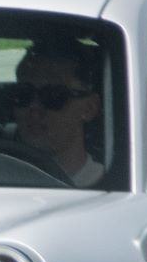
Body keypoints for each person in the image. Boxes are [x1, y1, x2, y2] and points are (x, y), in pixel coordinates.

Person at [10, 39, 106, 185]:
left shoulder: (113, 185)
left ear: (90, 108)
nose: (33, 108)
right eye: (23, 94)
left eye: (53, 96)